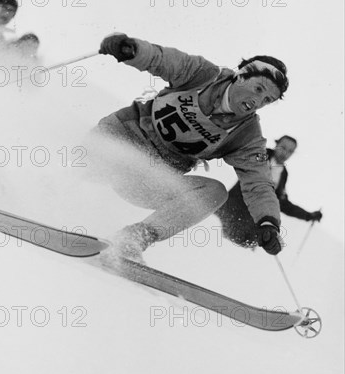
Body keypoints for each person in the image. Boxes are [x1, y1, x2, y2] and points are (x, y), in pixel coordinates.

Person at [93, 33, 290, 262]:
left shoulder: (247, 135)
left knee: (214, 193)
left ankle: (133, 238)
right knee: (86, 166)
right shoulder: (202, 74)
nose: (258, 102)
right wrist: (132, 50)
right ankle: (49, 188)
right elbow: (162, 59)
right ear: (241, 76)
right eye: (258, 89)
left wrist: (268, 221)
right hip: (119, 139)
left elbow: (258, 182)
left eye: (267, 100)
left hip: (147, 178)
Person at [215, 135, 323, 248]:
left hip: (251, 226)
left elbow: (281, 203)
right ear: (276, 144)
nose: (285, 153)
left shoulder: (283, 174)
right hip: (229, 212)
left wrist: (308, 215)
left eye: (290, 151)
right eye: (283, 147)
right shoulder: (261, 154)